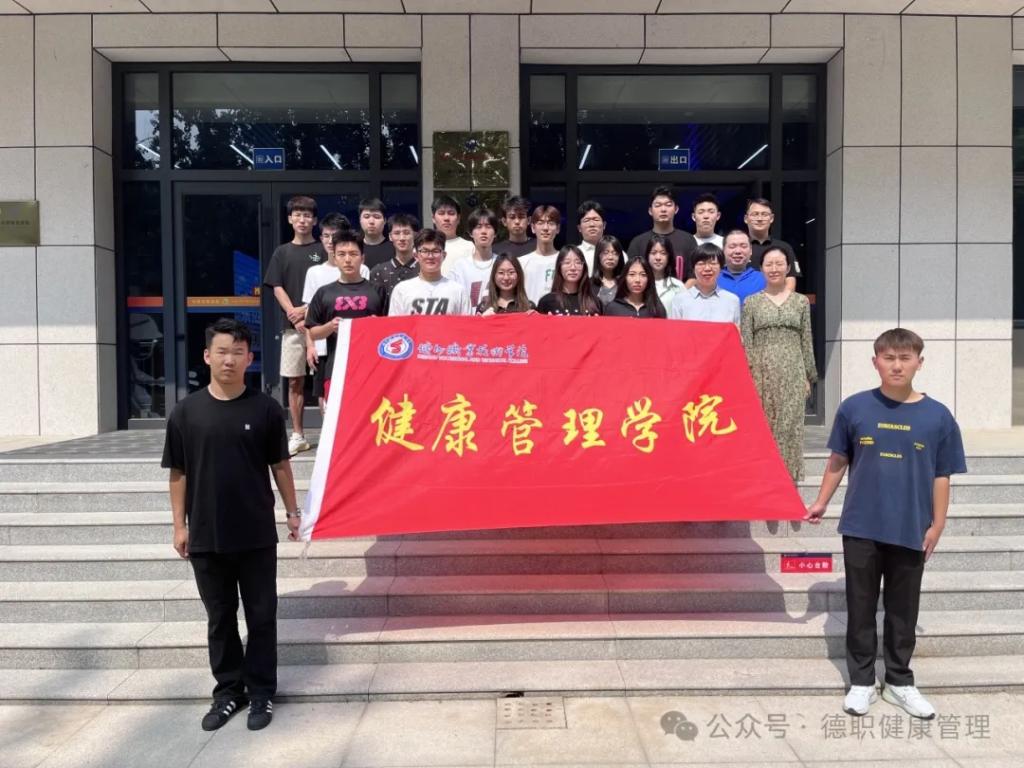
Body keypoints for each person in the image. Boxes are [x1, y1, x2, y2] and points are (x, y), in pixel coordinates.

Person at [806, 328, 966, 721]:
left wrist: (938, 525)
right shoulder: (854, 408)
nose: (897, 365)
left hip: (911, 527)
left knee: (903, 609)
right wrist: (822, 501)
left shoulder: (938, 416)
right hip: (862, 525)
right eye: (889, 358)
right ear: (875, 362)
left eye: (905, 358)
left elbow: (942, 475)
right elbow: (838, 460)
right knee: (860, 606)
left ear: (919, 363)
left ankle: (898, 681)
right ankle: (861, 681)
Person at [162, 318, 299, 733]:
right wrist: (179, 526)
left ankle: (261, 692)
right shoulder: (186, 413)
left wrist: (293, 512)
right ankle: (227, 692)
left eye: (238, 352)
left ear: (249, 358)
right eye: (222, 351)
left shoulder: (265, 409)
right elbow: (178, 473)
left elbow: (280, 465)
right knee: (220, 618)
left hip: (256, 534)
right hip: (206, 535)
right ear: (207, 356)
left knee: (261, 616)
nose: (229, 360)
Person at [740, 246, 817, 482]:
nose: (774, 269)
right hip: (761, 372)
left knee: (790, 425)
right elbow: (747, 342)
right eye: (769, 264)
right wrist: (748, 375)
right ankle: (764, 477)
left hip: (793, 370)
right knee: (763, 425)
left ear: (788, 267)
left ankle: (789, 479)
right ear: (761, 269)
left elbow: (806, 339)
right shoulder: (751, 302)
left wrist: (809, 375)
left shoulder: (800, 302)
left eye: (779, 263)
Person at [262, 195, 326, 456]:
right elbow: (277, 286)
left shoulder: (323, 250)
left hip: (321, 326)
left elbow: (326, 286)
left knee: (326, 382)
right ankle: (298, 434)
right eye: (297, 215)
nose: (302, 220)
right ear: (290, 219)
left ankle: (330, 435)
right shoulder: (282, 252)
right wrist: (292, 313)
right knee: (294, 382)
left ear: (315, 220)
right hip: (292, 329)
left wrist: (305, 313)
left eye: (307, 215)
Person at [306, 231, 386, 400]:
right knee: (335, 414)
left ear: (362, 258)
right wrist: (330, 326)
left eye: (353, 254)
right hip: (335, 367)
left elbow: (391, 330)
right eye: (342, 254)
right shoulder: (323, 293)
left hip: (372, 368)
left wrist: (378, 326)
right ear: (334, 258)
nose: (348, 259)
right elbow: (313, 332)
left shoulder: (378, 291)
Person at [389, 229, 471, 316]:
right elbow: (395, 324)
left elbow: (466, 324)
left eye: (435, 251)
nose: (430, 256)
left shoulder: (459, 291)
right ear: (416, 256)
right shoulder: (401, 290)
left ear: (444, 255)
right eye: (424, 251)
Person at [627, 185, 697, 279]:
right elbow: (630, 275)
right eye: (658, 205)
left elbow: (694, 275)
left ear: (676, 209)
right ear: (650, 211)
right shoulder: (637, 242)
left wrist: (679, 288)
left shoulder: (688, 240)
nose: (663, 209)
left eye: (668, 205)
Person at [669, 243, 740, 325]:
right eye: (701, 264)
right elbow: (674, 331)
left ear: (721, 267)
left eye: (713, 263)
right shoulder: (679, 300)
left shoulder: (732, 301)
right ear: (693, 269)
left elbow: (736, 331)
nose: (707, 268)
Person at [745, 197, 800, 290]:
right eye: (755, 214)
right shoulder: (738, 249)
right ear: (746, 218)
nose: (760, 219)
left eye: (764, 214)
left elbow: (790, 280)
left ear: (771, 218)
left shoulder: (784, 248)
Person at [369, 213, 420, 308]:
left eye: (406, 233)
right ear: (390, 236)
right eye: (397, 233)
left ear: (415, 236)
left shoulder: (424, 269)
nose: (402, 238)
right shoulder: (378, 272)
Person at [450, 206, 498, 307]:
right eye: (478, 227)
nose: (483, 231)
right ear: (471, 233)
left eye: (488, 226)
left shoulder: (501, 264)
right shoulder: (460, 267)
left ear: (495, 233)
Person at [537, 245, 603, 316]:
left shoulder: (595, 302)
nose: (573, 268)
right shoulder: (546, 302)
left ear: (584, 267)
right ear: (559, 267)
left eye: (578, 263)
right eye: (567, 262)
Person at [520, 205, 562, 304]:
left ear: (558, 228)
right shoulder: (521, 262)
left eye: (551, 223)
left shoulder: (564, 261)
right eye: (540, 223)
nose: (545, 228)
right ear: (533, 228)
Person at [718, 229, 767, 306]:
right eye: (732, 246)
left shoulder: (764, 279)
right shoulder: (713, 278)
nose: (738, 251)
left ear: (751, 251)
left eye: (743, 246)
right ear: (723, 250)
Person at [433, 194, 474, 277]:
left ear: (458, 218)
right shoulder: (424, 247)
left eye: (451, 213)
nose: (446, 218)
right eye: (441, 213)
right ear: (433, 218)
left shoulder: (469, 247)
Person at [644, 234, 686, 309]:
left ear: (669, 257)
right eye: (653, 253)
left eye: (663, 253)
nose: (658, 258)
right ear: (647, 256)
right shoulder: (640, 283)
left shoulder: (678, 286)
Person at [357, 197, 395, 269]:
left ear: (384, 221)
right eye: (366, 217)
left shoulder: (395, 248)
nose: (371, 221)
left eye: (376, 217)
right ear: (360, 220)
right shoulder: (354, 248)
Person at [591, 235, 625, 306]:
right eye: (606, 253)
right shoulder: (589, 284)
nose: (610, 257)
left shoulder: (625, 283)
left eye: (615, 253)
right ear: (598, 255)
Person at [576, 200, 607, 274]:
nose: (592, 224)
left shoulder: (617, 254)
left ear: (604, 225)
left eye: (596, 220)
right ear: (579, 228)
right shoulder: (573, 254)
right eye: (587, 220)